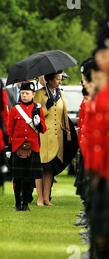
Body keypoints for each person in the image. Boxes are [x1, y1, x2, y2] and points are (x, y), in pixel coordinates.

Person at [34, 71, 72, 206]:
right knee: (41, 167)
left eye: (61, 79)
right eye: (57, 79)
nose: (59, 82)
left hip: (58, 137)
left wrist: (67, 131)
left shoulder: (60, 93)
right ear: (49, 80)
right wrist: (46, 108)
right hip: (44, 136)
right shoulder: (39, 93)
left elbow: (64, 113)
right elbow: (35, 115)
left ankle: (46, 198)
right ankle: (39, 198)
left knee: (50, 169)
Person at [7, 82, 46, 211]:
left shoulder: (37, 109)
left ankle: (26, 204)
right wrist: (10, 145)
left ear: (33, 94)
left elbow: (43, 129)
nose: (24, 95)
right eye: (22, 93)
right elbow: (9, 129)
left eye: (27, 93)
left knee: (29, 178)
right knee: (17, 177)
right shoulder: (14, 109)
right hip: (17, 148)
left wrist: (38, 122)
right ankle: (18, 204)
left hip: (33, 147)